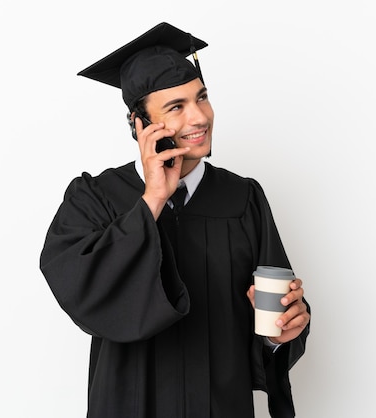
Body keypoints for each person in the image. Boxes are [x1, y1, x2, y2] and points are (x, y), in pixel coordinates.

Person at [39, 22, 311, 418]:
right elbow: (83, 292)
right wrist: (152, 200)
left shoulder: (243, 198)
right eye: (176, 107)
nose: (199, 117)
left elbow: (274, 314)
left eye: (201, 98)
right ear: (140, 125)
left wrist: (279, 335)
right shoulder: (95, 198)